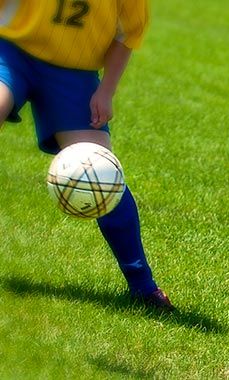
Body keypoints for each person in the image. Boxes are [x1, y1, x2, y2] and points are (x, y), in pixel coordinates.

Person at [0, 1, 173, 310]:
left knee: (101, 175)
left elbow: (128, 32)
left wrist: (106, 90)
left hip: (74, 75)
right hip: (11, 52)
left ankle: (142, 285)